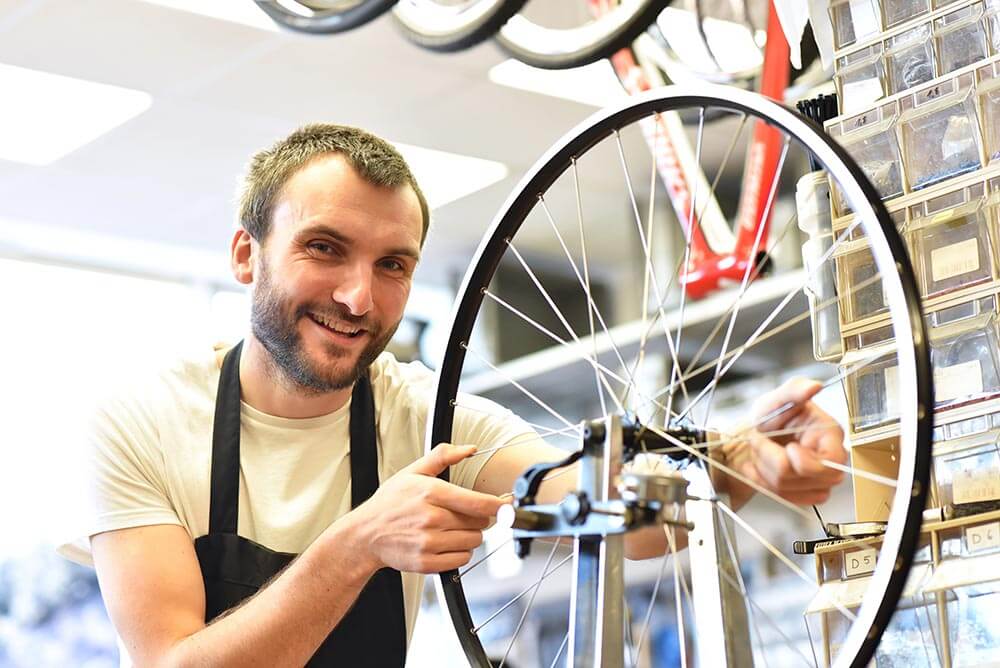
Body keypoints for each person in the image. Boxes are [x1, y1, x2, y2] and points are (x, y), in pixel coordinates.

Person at [58, 124, 848, 667]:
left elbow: (602, 509)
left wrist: (746, 459)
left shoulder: (426, 417)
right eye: (324, 249)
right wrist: (358, 544)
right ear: (245, 254)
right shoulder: (142, 421)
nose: (359, 298)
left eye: (393, 265)